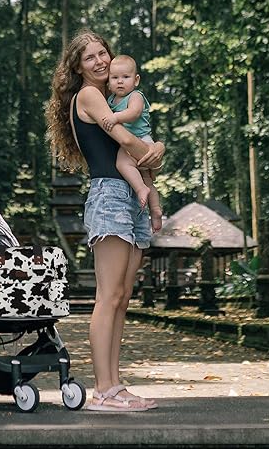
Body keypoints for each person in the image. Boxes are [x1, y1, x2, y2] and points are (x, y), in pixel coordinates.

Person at [46, 30, 164, 412]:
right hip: (110, 197)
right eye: (90, 57)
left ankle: (115, 385)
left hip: (132, 196)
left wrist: (154, 151)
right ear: (78, 67)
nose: (99, 61)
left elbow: (135, 142)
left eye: (103, 53)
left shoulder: (118, 98)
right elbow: (127, 141)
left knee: (122, 297)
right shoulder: (89, 95)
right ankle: (102, 389)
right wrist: (156, 150)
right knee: (108, 296)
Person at [102, 54, 163, 232]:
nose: (120, 81)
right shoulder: (110, 100)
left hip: (141, 140)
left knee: (122, 163)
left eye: (125, 77)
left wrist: (115, 117)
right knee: (147, 179)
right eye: (115, 77)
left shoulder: (136, 96)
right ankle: (156, 211)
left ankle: (140, 189)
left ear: (136, 80)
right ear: (108, 82)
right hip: (131, 144)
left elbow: (134, 113)